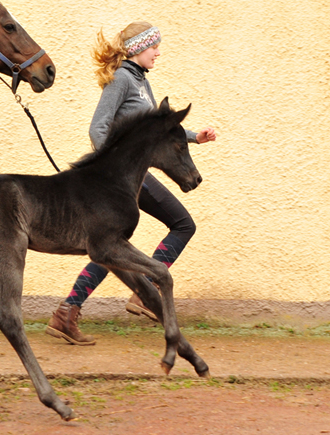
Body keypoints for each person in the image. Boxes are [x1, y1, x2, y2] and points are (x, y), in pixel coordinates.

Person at [45, 21, 217, 345]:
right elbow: (98, 129)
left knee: (112, 249)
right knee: (181, 224)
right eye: (154, 46)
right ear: (139, 47)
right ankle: (145, 291)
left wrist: (194, 137)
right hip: (120, 182)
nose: (158, 52)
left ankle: (67, 312)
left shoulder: (141, 82)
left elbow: (156, 134)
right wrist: (111, 172)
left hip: (134, 178)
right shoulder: (122, 79)